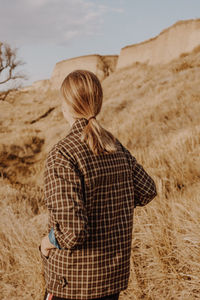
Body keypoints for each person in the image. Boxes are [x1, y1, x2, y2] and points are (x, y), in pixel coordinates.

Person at [39, 69, 157, 300]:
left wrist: (47, 242)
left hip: (71, 283)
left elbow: (72, 232)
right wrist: (110, 207)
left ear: (66, 104)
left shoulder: (62, 154)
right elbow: (147, 191)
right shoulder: (115, 146)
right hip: (111, 280)